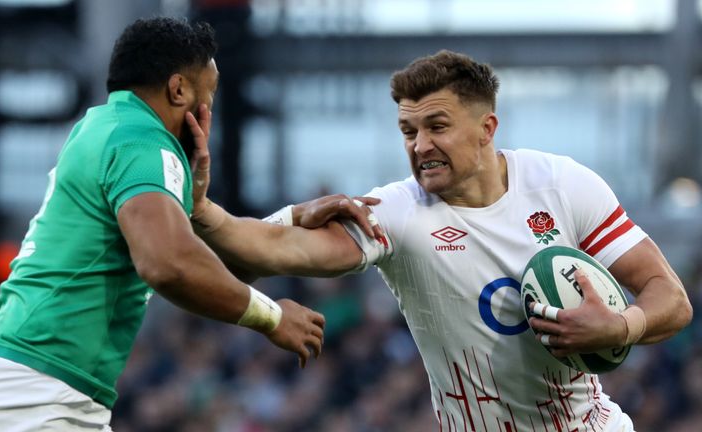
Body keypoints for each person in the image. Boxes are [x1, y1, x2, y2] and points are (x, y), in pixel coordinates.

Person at [187, 50, 692, 431]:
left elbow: (670, 298)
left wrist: (622, 326)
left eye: (437, 126)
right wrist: (208, 211)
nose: (420, 145)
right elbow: (278, 251)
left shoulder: (561, 184)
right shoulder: (398, 213)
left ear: (486, 128)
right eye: (407, 130)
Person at [0, 17, 326, 431]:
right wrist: (271, 317)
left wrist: (285, 220)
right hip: (25, 399)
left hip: (25, 393)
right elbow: (169, 265)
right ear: (178, 90)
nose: (209, 113)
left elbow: (209, 270)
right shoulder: (141, 140)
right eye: (209, 95)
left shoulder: (103, 126)